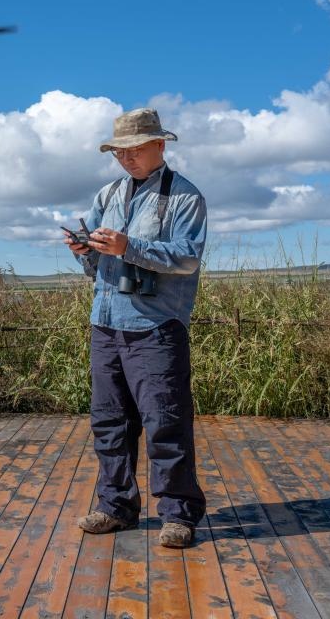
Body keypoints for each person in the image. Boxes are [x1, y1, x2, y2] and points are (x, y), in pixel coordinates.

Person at [64, 107, 207, 548]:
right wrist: (83, 251)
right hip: (105, 324)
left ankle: (178, 514)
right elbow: (98, 268)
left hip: (156, 326)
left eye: (134, 150)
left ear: (160, 145)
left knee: (166, 421)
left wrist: (129, 246)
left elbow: (187, 258)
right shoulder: (107, 195)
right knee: (109, 422)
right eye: (119, 152)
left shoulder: (185, 198)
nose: (126, 159)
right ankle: (116, 507)